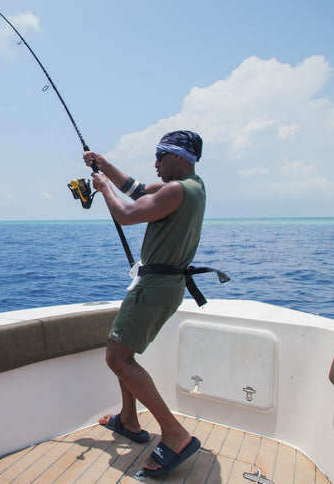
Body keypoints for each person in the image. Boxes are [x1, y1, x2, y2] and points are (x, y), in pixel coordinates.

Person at [84, 129, 206, 478]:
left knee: (117, 357)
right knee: (124, 354)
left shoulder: (175, 191)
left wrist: (103, 188)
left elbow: (126, 212)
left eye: (160, 156)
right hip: (164, 284)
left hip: (155, 287)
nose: (155, 163)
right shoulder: (193, 186)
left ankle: (174, 433)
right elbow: (137, 190)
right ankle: (128, 420)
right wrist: (104, 165)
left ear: (178, 157)